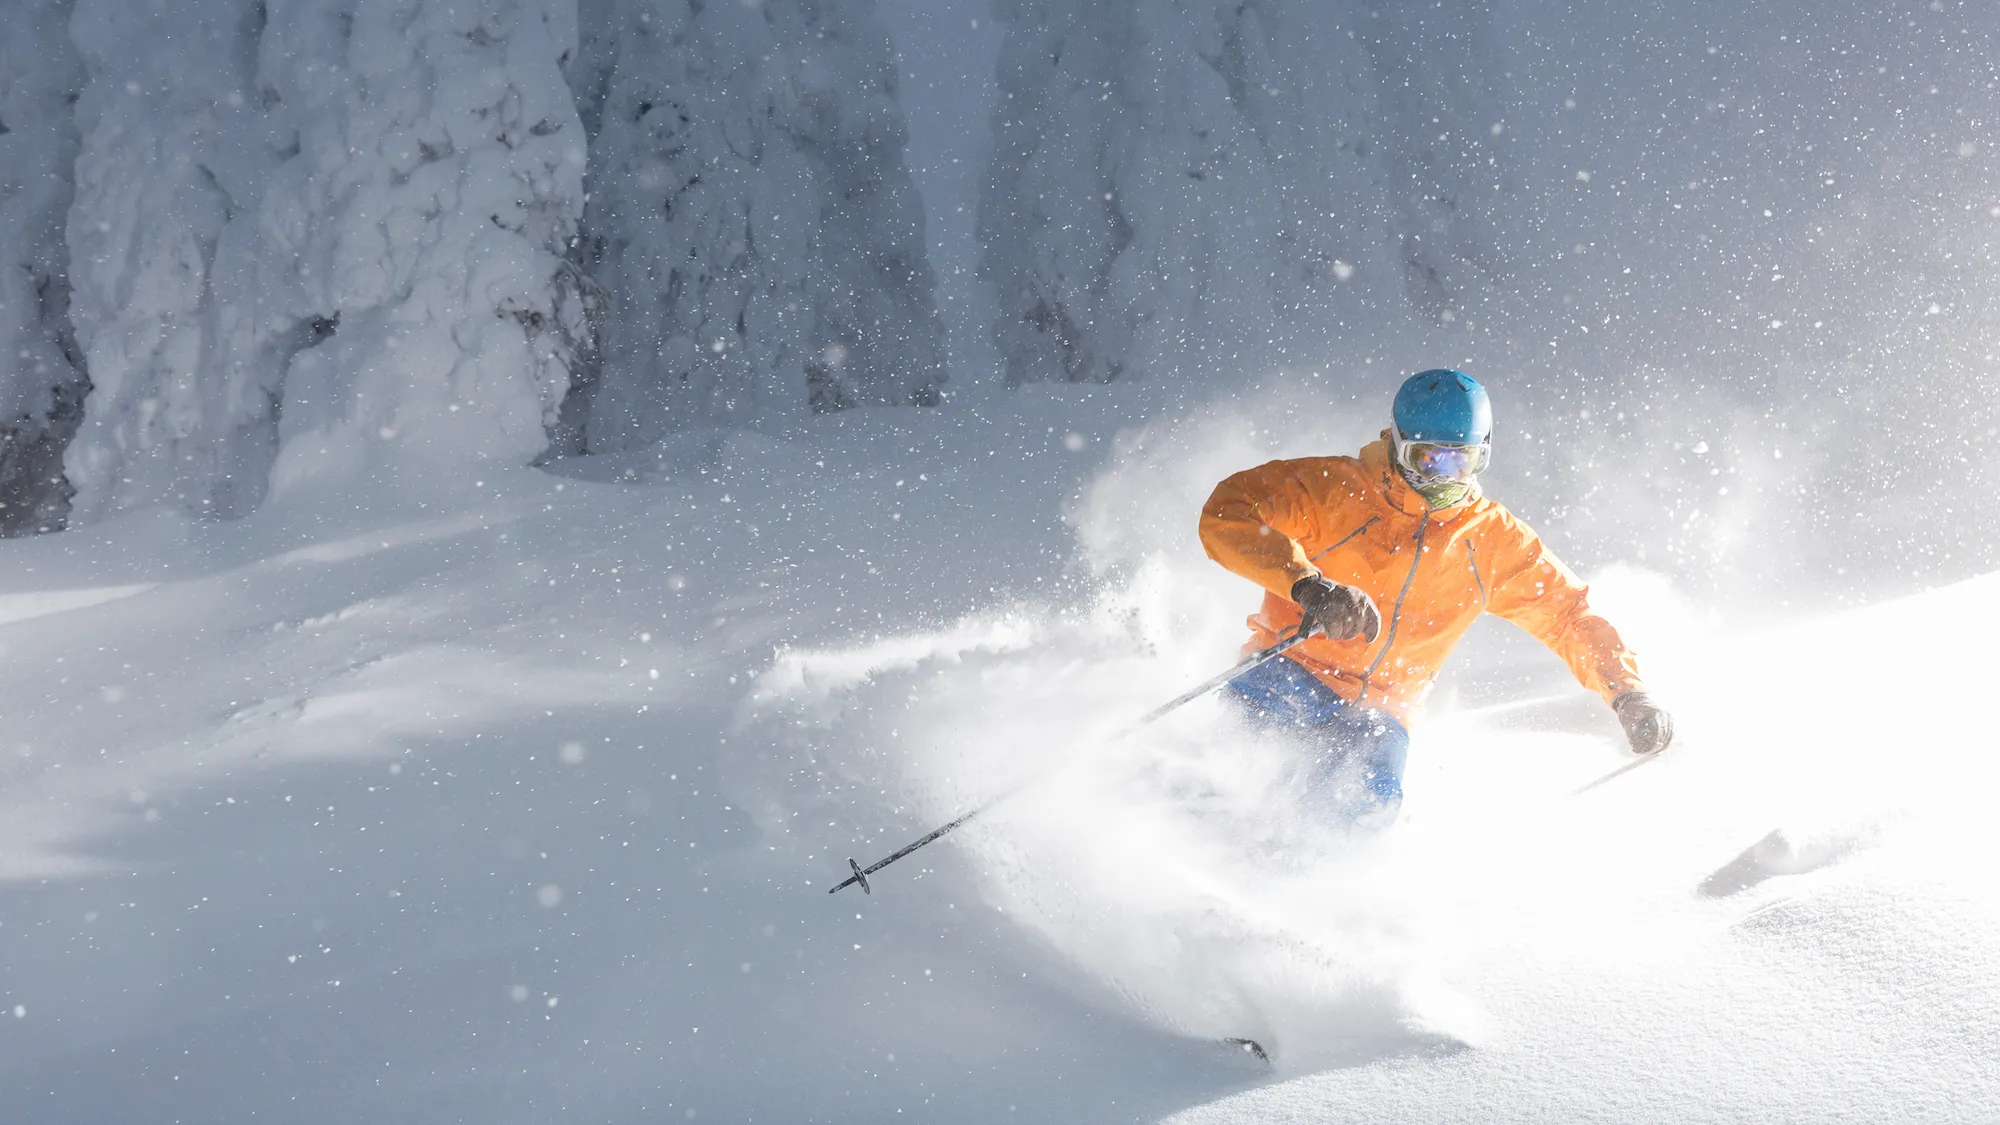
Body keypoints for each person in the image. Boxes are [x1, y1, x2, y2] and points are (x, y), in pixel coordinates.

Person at [1198, 369, 1673, 825]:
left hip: (1381, 709)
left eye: (1461, 461)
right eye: (1428, 460)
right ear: (1398, 444)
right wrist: (1307, 585)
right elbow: (1229, 512)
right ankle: (1187, 852)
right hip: (1290, 666)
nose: (1444, 479)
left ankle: (1309, 889)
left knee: (1365, 801)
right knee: (1240, 765)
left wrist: (1628, 692)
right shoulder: (1333, 492)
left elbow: (1567, 615)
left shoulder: (1490, 540)